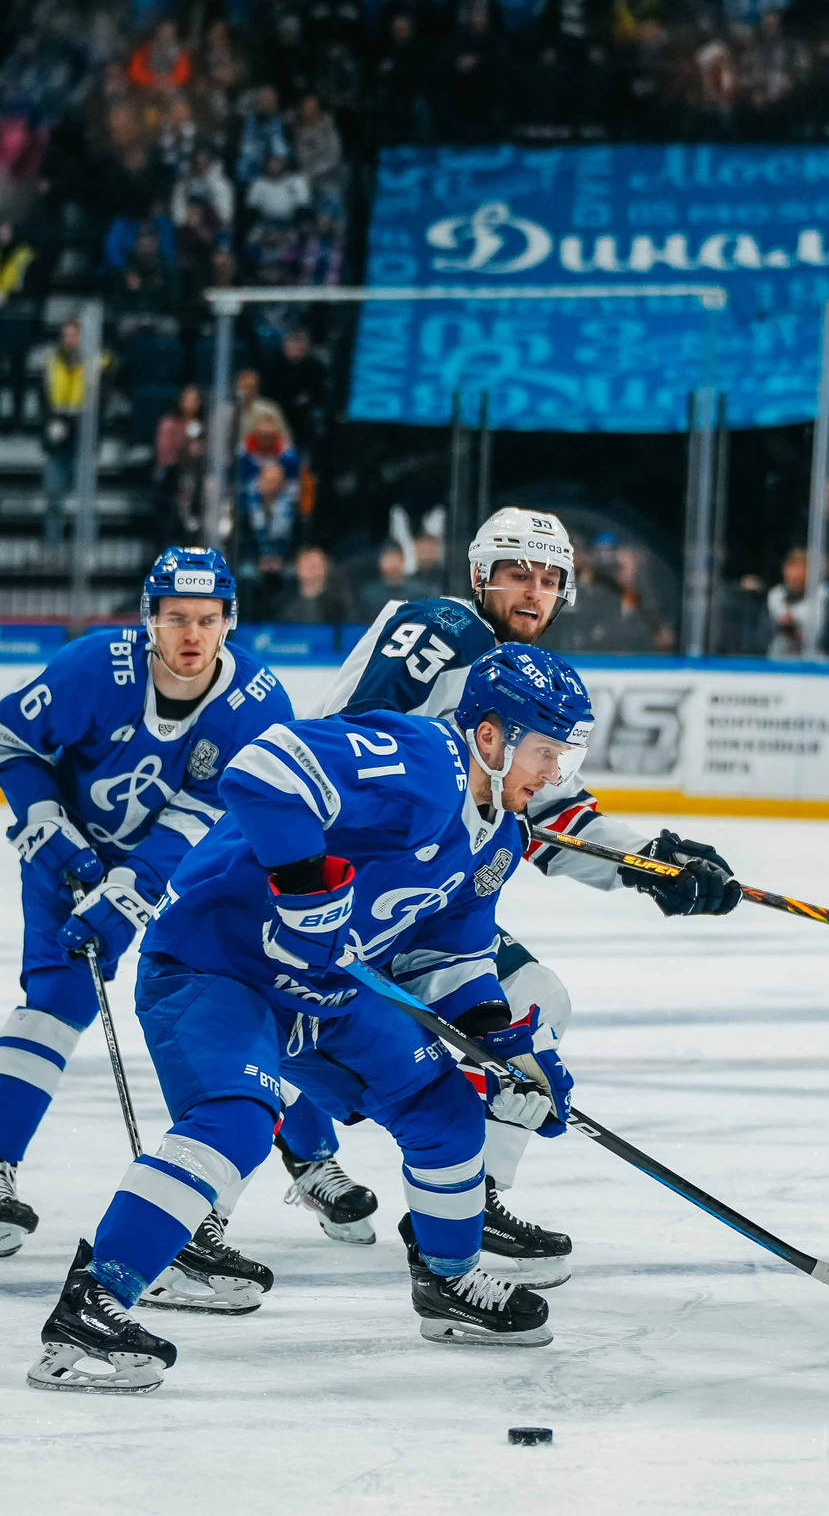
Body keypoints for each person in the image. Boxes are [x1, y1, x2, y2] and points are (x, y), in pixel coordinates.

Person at [28, 645, 592, 1391]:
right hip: (216, 964)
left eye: (566, 756)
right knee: (235, 1120)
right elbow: (263, 770)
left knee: (447, 1111)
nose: (554, 774)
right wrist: (304, 889)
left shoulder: (499, 835)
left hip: (326, 991)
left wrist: (502, 1043)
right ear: (490, 736)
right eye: (546, 751)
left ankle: (448, 1281)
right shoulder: (426, 759)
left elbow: (447, 951)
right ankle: (91, 1306)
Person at [287, 508, 742, 1278]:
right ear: (480, 577)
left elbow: (547, 810)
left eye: (550, 578)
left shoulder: (518, 674)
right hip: (344, 887)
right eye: (517, 574)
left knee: (535, 1000)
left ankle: (472, 1196)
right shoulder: (442, 630)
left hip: (425, 901)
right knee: (269, 1027)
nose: (534, 591)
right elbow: (348, 738)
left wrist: (653, 861)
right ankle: (220, 1195)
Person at [0, 548, 297, 1305]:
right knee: (60, 1000)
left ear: (229, 621)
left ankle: (201, 1204)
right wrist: (43, 819)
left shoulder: (258, 703)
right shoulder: (95, 668)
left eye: (207, 619)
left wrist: (133, 885)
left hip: (189, 873)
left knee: (231, 1006)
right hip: (66, 846)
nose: (192, 635)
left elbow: (210, 814)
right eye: (177, 618)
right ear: (148, 619)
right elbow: (2, 740)